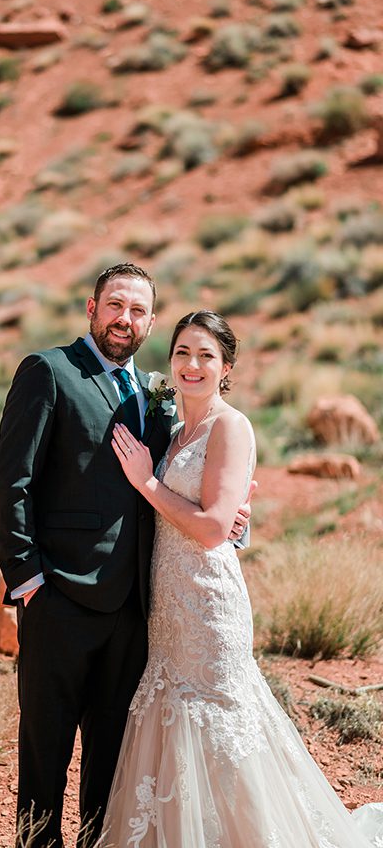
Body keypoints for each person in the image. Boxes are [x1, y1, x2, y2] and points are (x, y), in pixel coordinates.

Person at [0, 264, 252, 848]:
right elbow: (11, 484)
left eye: (137, 311)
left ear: (151, 321)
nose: (124, 319)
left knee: (114, 758)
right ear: (91, 307)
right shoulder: (49, 371)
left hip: (138, 606)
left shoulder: (155, 393)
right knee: (45, 752)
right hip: (59, 596)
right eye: (115, 305)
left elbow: (181, 488)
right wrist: (28, 581)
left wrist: (233, 518)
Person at [101, 311, 383, 847]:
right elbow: (217, 516)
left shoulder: (232, 426)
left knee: (219, 732)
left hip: (208, 608)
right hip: (170, 608)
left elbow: (209, 529)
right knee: (173, 727)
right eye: (183, 351)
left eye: (207, 355)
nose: (192, 364)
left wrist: (145, 482)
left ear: (226, 366)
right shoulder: (177, 428)